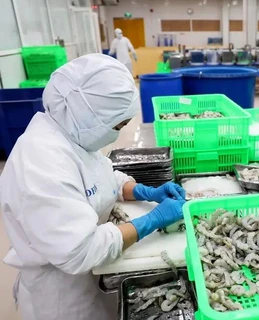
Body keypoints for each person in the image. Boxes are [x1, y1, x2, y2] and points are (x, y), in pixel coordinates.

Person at [0, 54, 186, 320]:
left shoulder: (72, 134)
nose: (119, 133)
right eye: (117, 125)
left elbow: (103, 176)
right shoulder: (40, 163)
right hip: (63, 297)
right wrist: (153, 220)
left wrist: (144, 190)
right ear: (88, 114)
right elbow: (81, 250)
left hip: (92, 277)